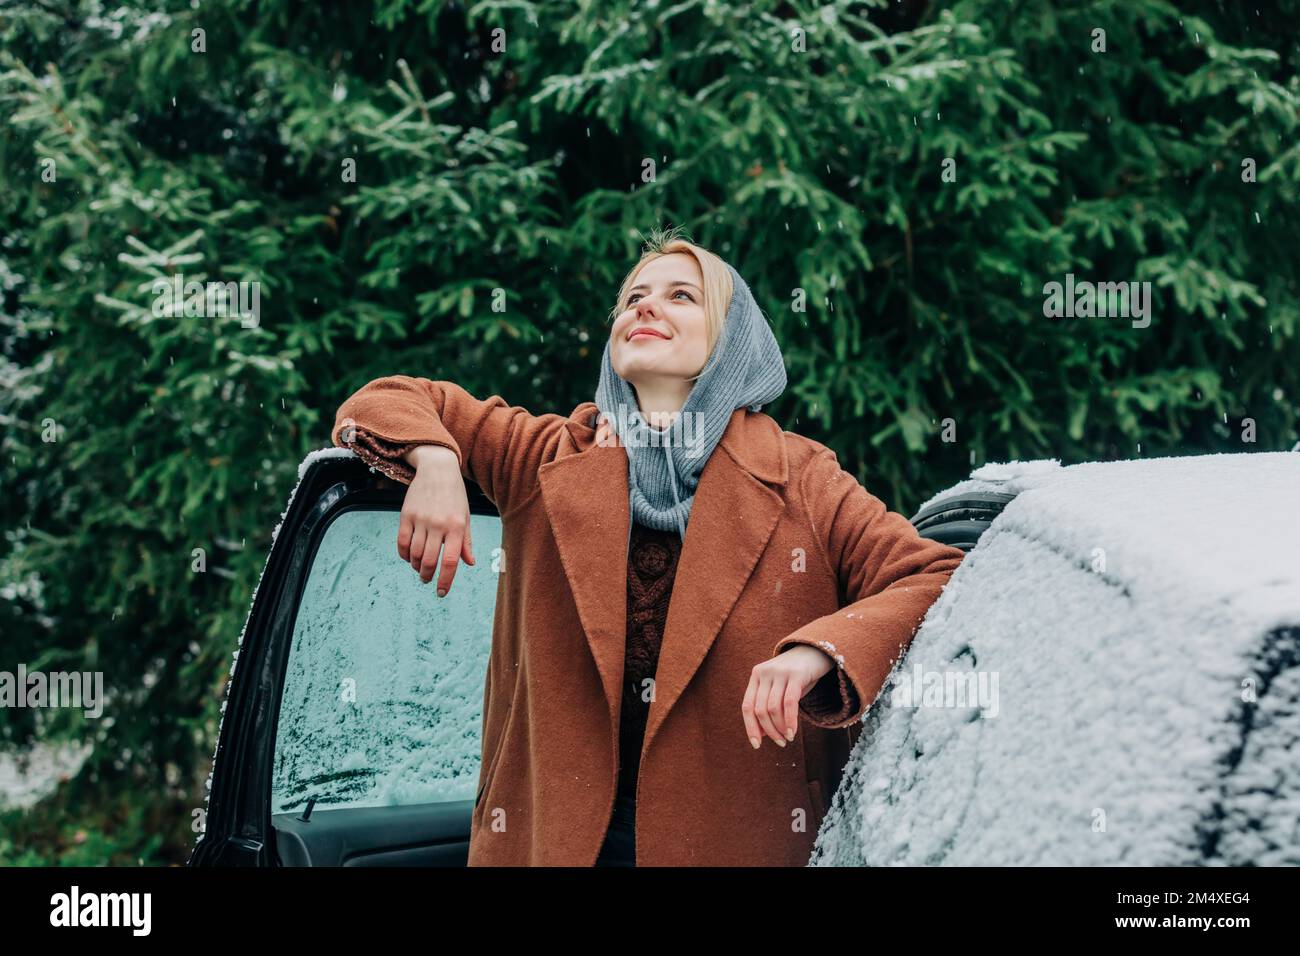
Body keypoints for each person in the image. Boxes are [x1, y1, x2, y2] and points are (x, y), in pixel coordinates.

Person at [330, 228, 966, 866]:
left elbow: (936, 575)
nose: (645, 306)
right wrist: (438, 460)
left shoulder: (804, 480)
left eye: (681, 296)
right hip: (553, 846)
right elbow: (389, 398)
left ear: (729, 340)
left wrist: (817, 653)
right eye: (634, 296)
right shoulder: (544, 457)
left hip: (741, 841)